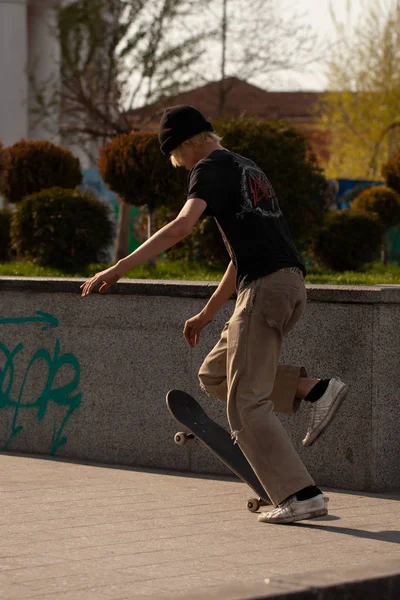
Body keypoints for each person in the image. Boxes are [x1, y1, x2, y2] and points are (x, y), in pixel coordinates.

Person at [81, 105, 348, 524]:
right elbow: (241, 257)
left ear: (187, 144)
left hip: (264, 291)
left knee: (246, 405)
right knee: (214, 374)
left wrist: (118, 268)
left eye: (178, 157)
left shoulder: (208, 168)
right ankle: (313, 390)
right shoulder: (248, 169)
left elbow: (181, 226)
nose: (181, 166)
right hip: (282, 286)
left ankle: (302, 495)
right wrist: (208, 313)